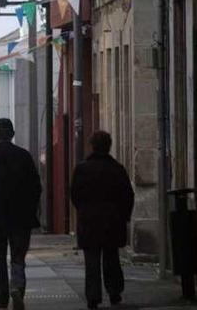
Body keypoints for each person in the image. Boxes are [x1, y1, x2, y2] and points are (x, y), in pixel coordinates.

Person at [0, 118, 42, 310]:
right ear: (12, 134)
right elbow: (36, 186)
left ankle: (1, 297)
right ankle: (17, 287)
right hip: (21, 219)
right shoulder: (24, 156)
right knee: (18, 257)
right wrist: (31, 209)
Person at [70, 131, 135, 309]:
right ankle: (114, 292)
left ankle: (93, 296)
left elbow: (74, 194)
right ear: (109, 146)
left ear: (92, 146)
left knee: (91, 261)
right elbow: (128, 195)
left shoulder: (82, 169)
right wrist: (124, 216)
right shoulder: (117, 169)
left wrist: (83, 211)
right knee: (111, 257)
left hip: (89, 221)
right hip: (112, 221)